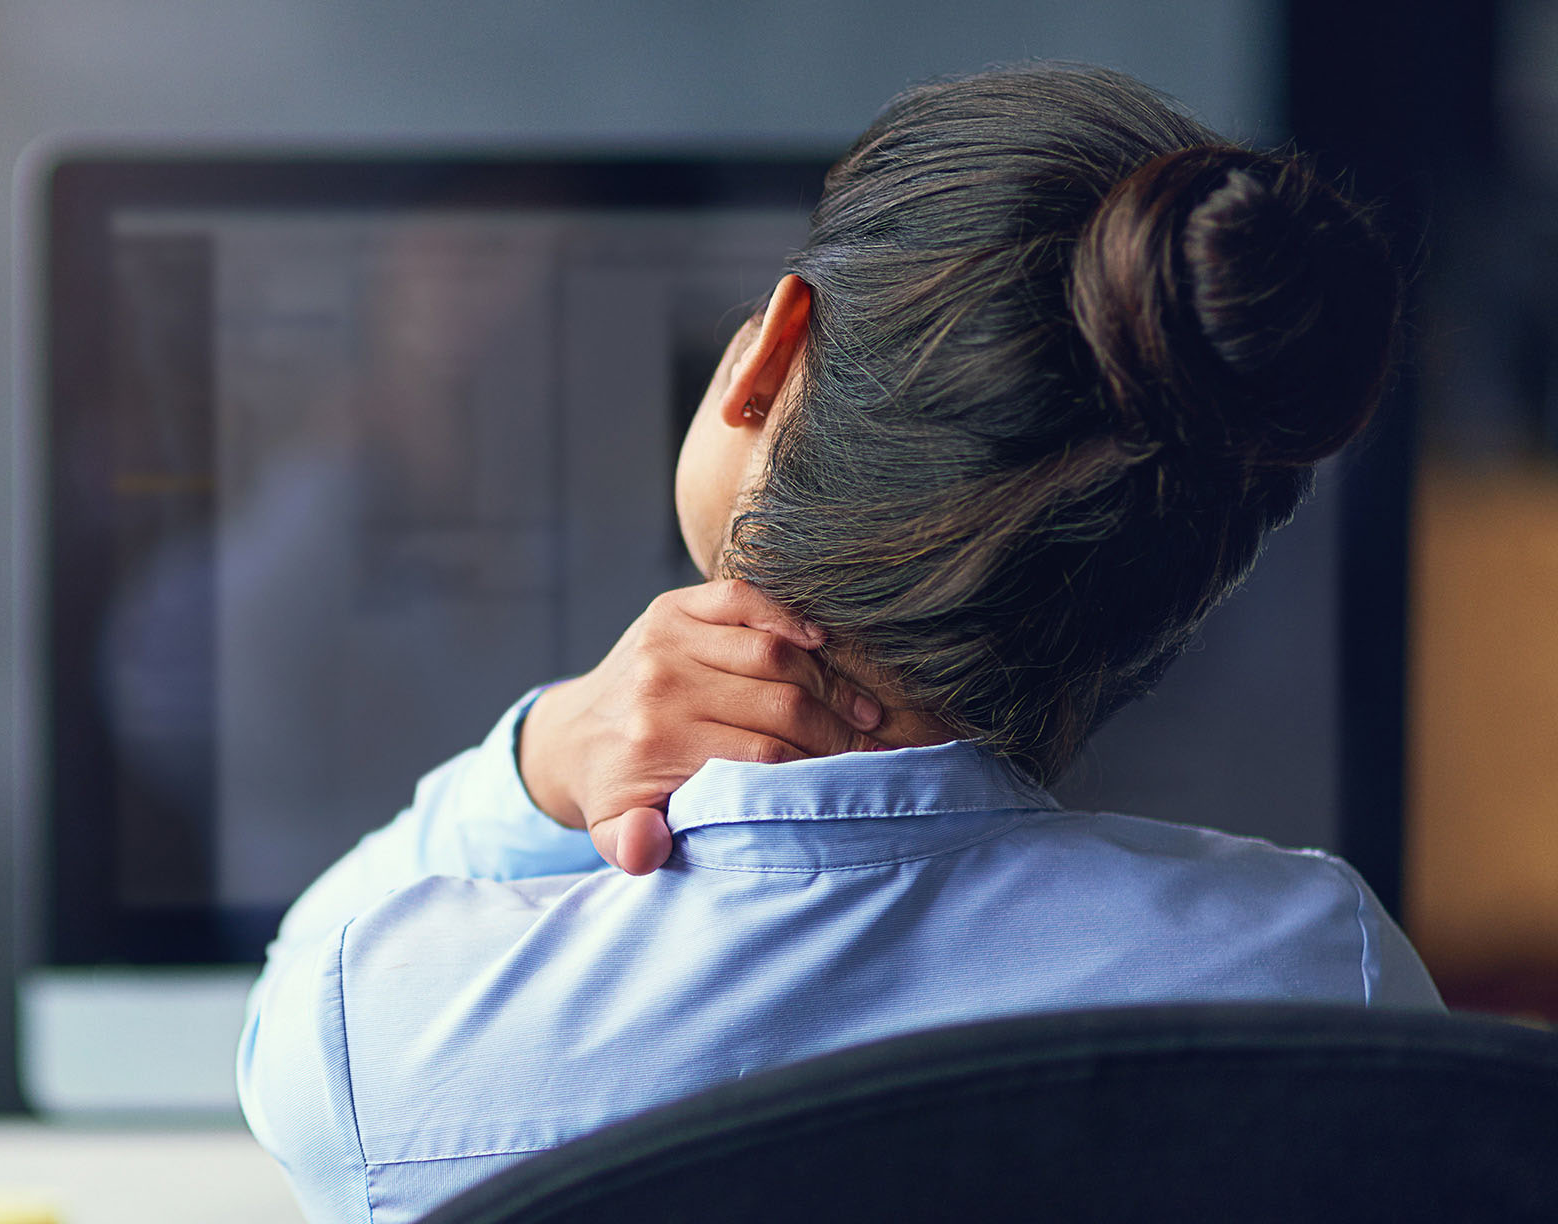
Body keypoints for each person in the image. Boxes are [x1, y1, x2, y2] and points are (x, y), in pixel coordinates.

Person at [238, 63, 1443, 1224]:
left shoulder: (389, 1040)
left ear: (770, 354)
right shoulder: (1325, 977)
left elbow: (298, 981)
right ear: (1185, 584)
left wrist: (537, 762)